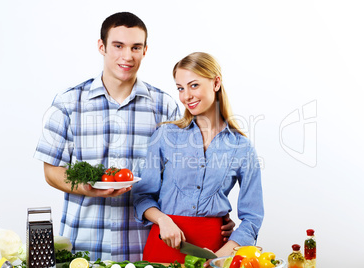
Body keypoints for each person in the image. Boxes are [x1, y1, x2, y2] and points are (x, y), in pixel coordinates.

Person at [34, 12, 234, 262]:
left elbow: (188, 175)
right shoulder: (68, 103)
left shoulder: (165, 107)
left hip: (147, 247)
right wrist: (91, 188)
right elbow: (51, 171)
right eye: (118, 46)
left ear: (145, 50)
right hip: (83, 246)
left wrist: (213, 214)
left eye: (135, 47)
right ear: (102, 46)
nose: (127, 56)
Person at [133, 52, 264, 263]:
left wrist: (221, 256)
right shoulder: (165, 136)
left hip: (213, 250)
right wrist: (162, 220)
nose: (186, 96)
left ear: (216, 83)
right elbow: (142, 196)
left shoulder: (241, 147)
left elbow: (253, 216)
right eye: (180, 88)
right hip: (163, 243)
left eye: (194, 85)